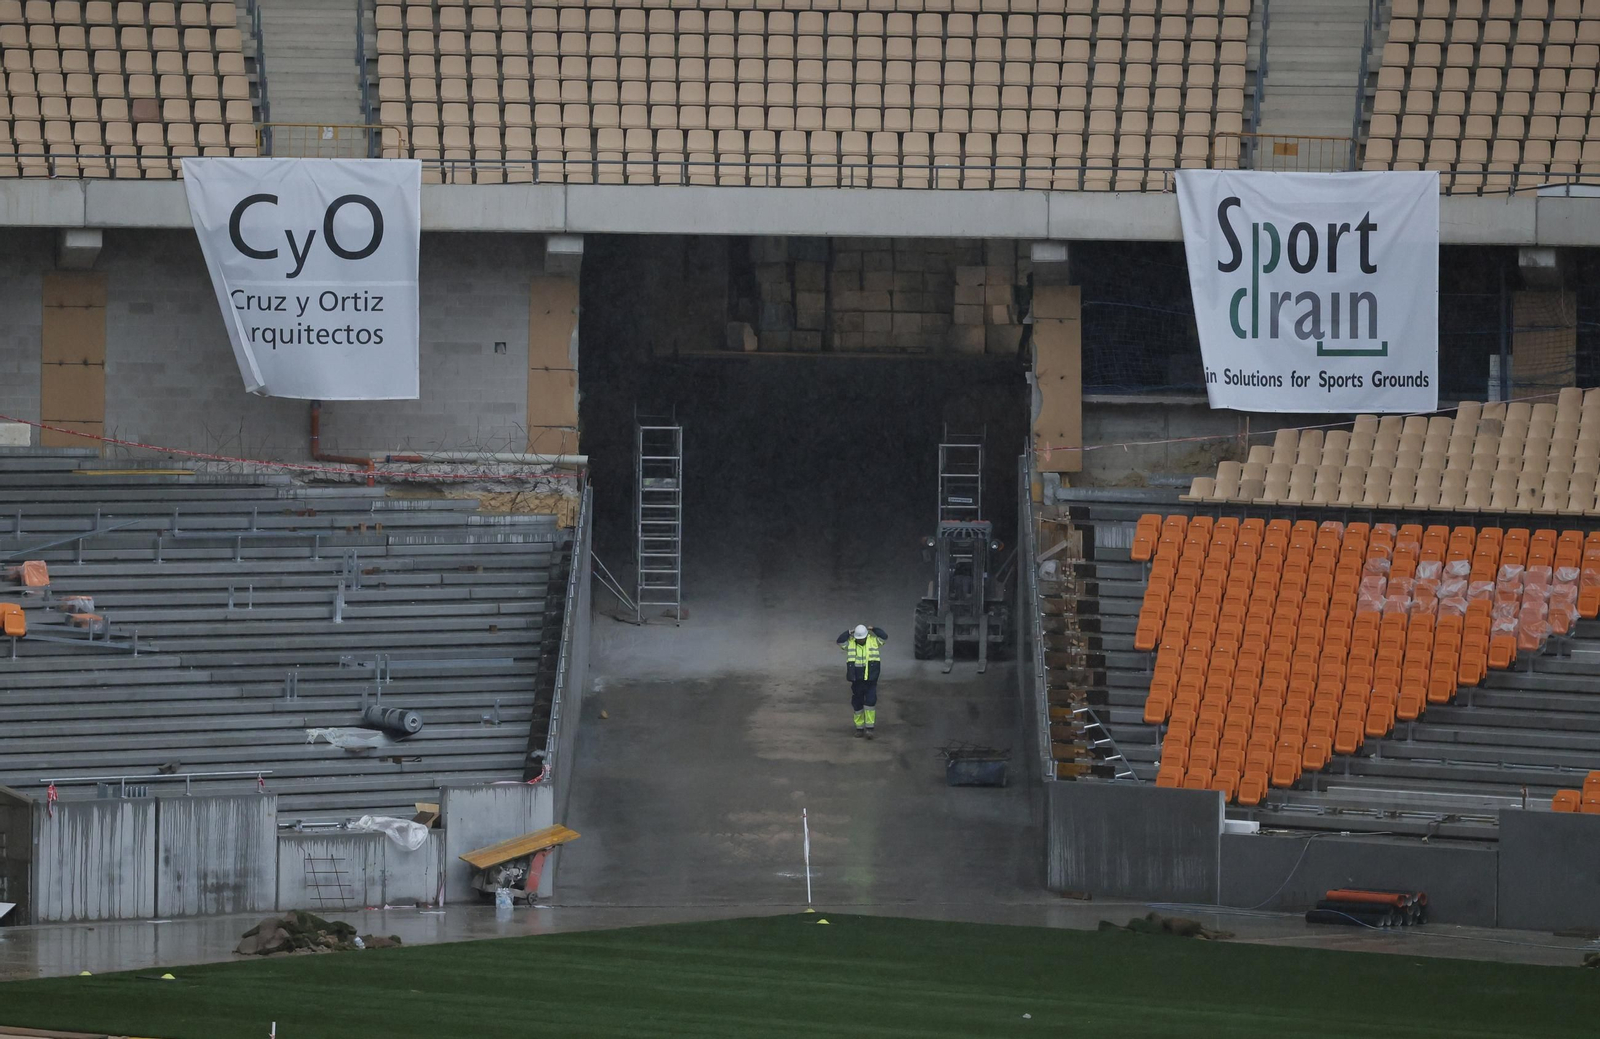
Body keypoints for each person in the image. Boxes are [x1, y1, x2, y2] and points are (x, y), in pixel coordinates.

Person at [835, 623, 888, 738]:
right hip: (857, 681)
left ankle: (869, 728)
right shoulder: (851, 644)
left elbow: (884, 637)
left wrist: (874, 629)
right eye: (859, 639)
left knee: (870, 703)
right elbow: (840, 641)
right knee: (857, 704)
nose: (860, 641)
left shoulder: (873, 641)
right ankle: (859, 729)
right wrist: (849, 632)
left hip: (870, 680)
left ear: (866, 636)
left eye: (862, 639)